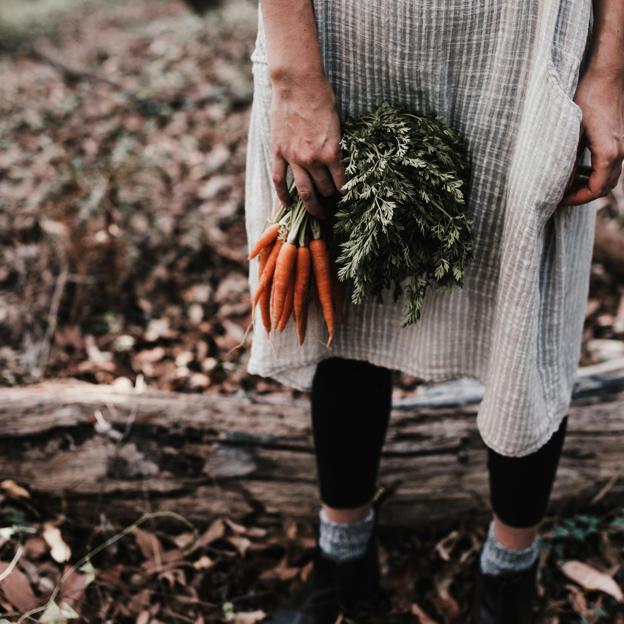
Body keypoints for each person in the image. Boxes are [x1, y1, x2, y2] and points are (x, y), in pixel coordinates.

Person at [243, 0, 624, 622]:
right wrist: (295, 77)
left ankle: (508, 580)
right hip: (347, 35)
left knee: (527, 309)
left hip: (524, 51)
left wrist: (608, 74)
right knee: (346, 288)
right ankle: (344, 564)